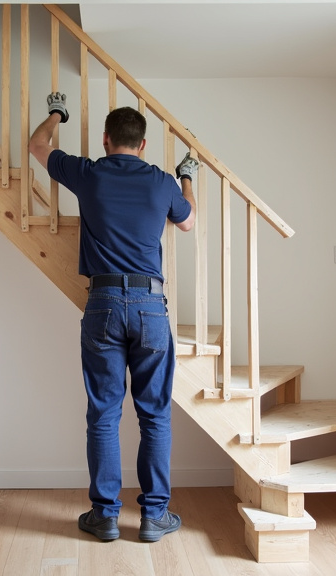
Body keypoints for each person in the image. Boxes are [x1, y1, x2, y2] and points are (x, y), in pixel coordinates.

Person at [29, 92, 198, 543]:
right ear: (142, 145)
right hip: (149, 305)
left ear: (106, 140)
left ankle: (104, 516)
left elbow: (37, 145)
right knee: (154, 416)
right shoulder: (162, 183)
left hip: (102, 303)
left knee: (103, 414)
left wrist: (57, 113)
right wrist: (186, 178)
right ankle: (153, 516)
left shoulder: (89, 173)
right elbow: (188, 221)